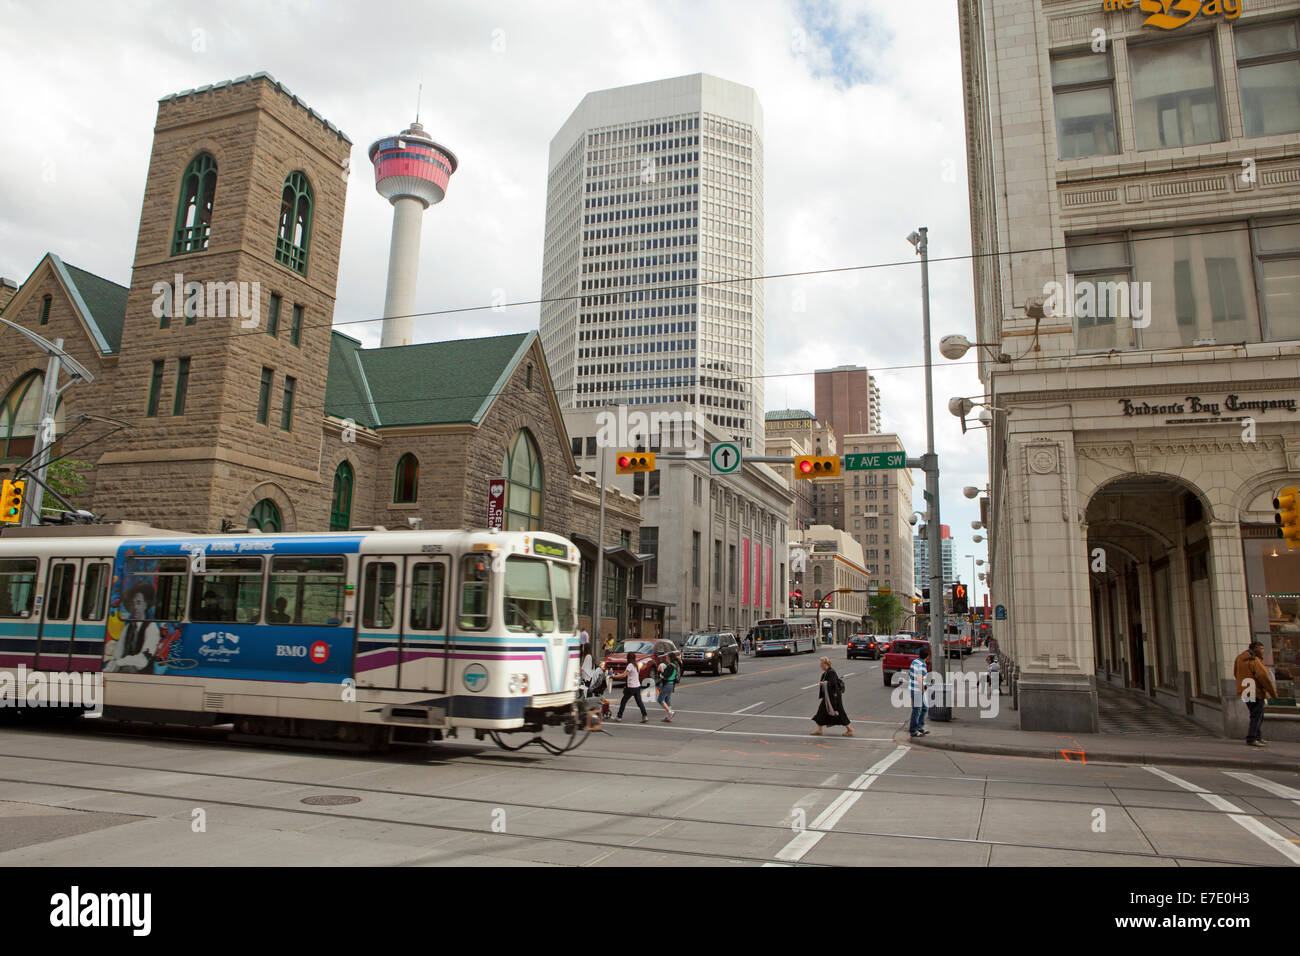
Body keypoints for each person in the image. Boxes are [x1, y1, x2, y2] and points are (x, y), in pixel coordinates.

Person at [105, 583, 161, 674]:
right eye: (132, 603)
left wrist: (119, 663)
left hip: (144, 678)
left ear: (146, 605)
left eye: (138, 602)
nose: (135, 607)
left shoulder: (152, 628)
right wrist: (108, 670)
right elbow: (117, 654)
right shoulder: (128, 628)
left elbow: (143, 659)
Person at [1234, 641, 1278, 748]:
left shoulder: (1239, 659)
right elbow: (1264, 678)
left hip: (1245, 690)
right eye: (1261, 649)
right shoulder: (1255, 661)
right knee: (1257, 716)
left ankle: (1257, 736)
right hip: (1255, 691)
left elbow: (1236, 673)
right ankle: (1252, 738)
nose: (1263, 651)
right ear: (1255, 649)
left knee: (1256, 715)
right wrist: (1273, 693)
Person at [811, 656, 853, 737]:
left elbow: (833, 684)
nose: (820, 665)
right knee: (821, 711)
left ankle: (850, 729)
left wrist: (823, 683)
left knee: (840, 712)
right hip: (827, 697)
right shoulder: (825, 673)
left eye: (821, 664)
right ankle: (819, 729)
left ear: (825, 664)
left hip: (834, 697)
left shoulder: (831, 672)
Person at [616, 651, 649, 723]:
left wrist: (614, 676)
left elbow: (624, 675)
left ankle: (619, 716)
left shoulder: (630, 665)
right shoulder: (636, 665)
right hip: (637, 686)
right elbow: (628, 674)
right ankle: (645, 716)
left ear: (628, 658)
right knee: (639, 702)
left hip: (631, 687)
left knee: (623, 701)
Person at [909, 644, 931, 738]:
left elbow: (911, 674)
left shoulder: (914, 661)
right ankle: (913, 730)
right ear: (927, 656)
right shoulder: (922, 665)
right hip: (918, 690)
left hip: (913, 688)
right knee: (917, 710)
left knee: (924, 708)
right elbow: (919, 678)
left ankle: (919, 726)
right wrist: (923, 689)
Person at [655, 652, 679, 722]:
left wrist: (661, 672)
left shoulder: (670, 666)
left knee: (660, 700)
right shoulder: (675, 665)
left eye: (667, 657)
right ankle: (668, 717)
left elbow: (665, 675)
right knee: (667, 700)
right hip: (671, 684)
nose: (666, 659)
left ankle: (670, 712)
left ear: (670, 658)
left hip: (667, 684)